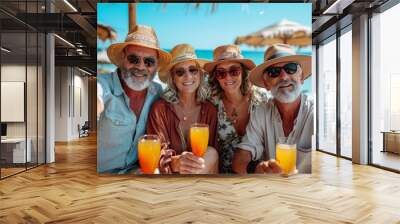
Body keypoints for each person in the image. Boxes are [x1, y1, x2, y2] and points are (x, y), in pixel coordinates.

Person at [97, 25, 171, 173]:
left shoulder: (158, 92)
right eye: (134, 59)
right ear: (123, 58)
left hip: (134, 171)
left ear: (156, 65)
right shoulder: (103, 84)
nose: (141, 67)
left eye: (149, 62)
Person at [232, 44, 313, 174]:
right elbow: (241, 156)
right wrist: (254, 171)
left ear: (301, 76)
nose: (284, 77)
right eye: (274, 72)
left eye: (290, 68)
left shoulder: (316, 114)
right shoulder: (261, 112)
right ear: (266, 84)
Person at [146, 44, 219, 174]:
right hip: (170, 180)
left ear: (200, 75)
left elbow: (213, 155)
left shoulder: (210, 110)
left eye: (193, 70)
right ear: (173, 78)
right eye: (180, 72)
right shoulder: (160, 109)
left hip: (203, 178)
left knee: (211, 153)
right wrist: (175, 163)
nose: (188, 76)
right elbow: (155, 154)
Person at [204, 44, 265, 173]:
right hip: (222, 176)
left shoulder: (261, 99)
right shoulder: (211, 102)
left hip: (260, 174)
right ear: (216, 77)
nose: (228, 77)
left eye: (234, 71)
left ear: (243, 72)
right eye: (221, 73)